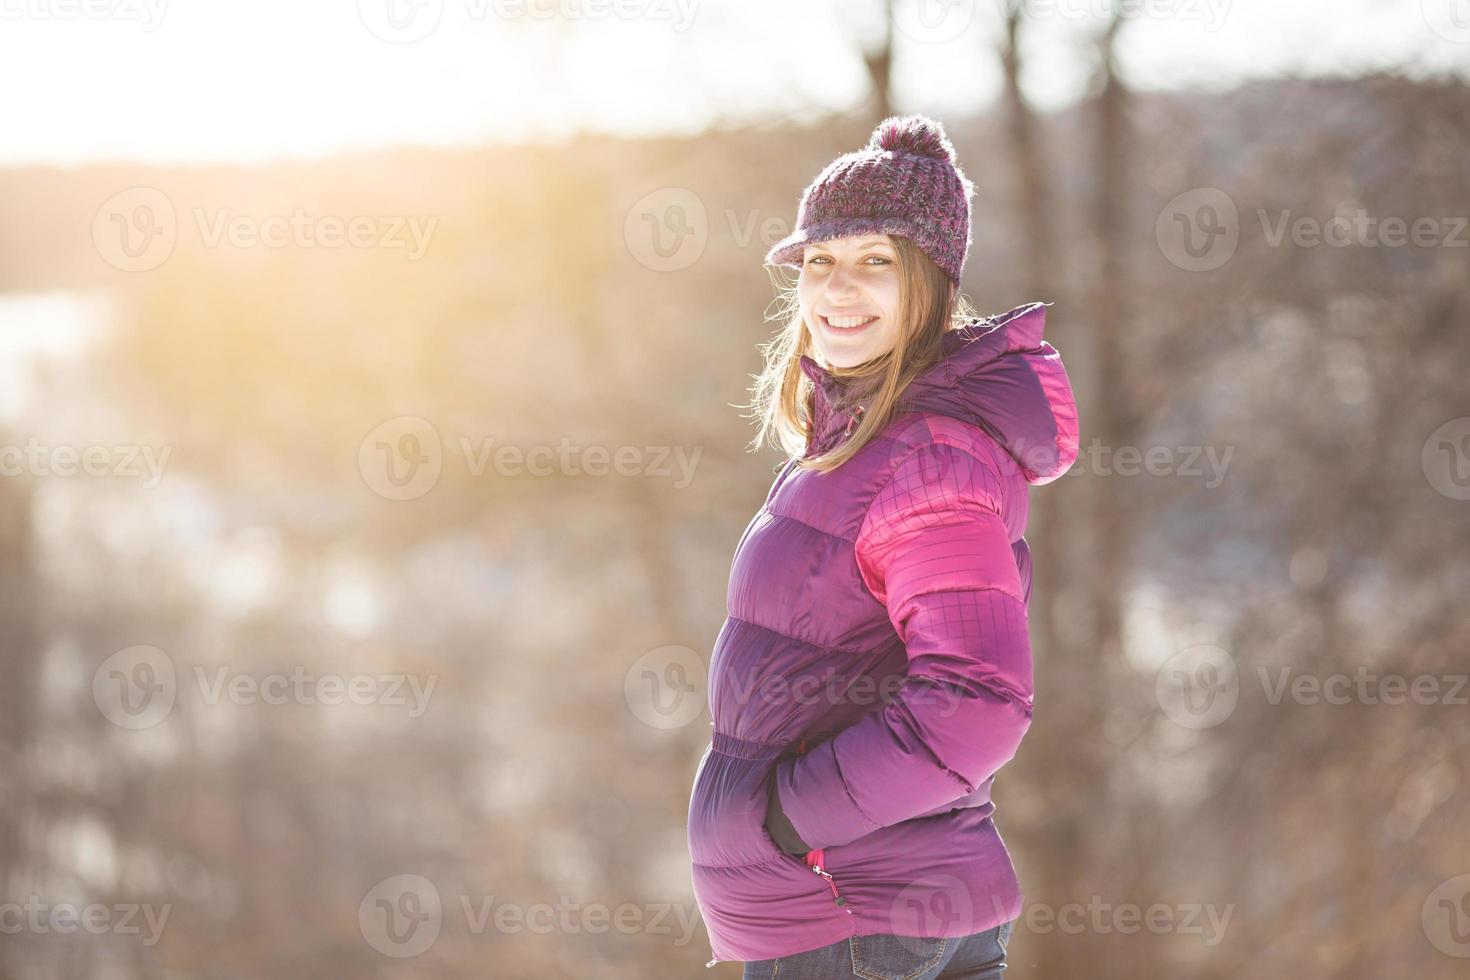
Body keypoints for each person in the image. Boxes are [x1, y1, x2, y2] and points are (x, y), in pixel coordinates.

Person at [685, 114, 1080, 979]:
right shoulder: (862, 446)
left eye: (877, 262)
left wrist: (789, 822)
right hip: (863, 913)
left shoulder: (927, 458)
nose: (839, 288)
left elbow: (978, 700)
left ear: (932, 282)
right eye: (820, 262)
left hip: (858, 919)